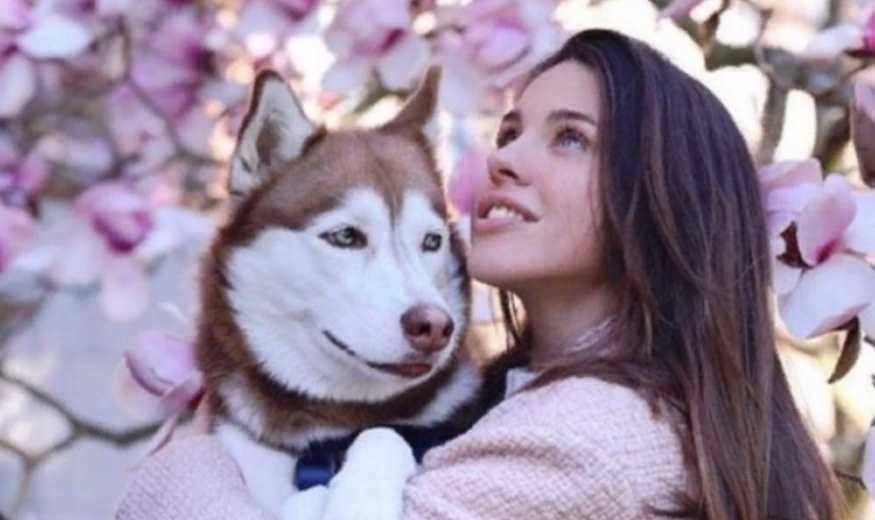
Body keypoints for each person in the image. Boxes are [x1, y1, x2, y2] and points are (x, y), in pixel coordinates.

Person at [115, 29, 845, 519]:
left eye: (569, 138)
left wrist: (186, 467)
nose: (503, 159)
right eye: (509, 131)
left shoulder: (594, 436)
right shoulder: (514, 401)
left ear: (660, 199)